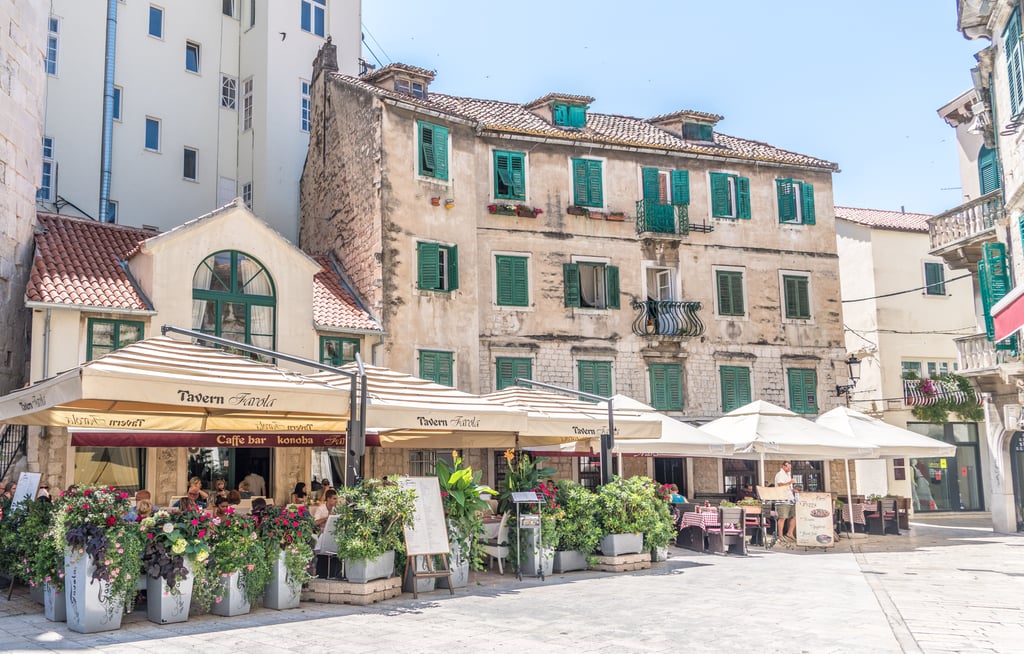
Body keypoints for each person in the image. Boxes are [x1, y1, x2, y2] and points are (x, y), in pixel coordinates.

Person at [774, 461, 797, 541]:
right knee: (782, 517)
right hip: (782, 499)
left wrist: (794, 490)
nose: (789, 469)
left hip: (790, 499)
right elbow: (780, 485)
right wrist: (790, 482)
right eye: (788, 467)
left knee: (794, 516)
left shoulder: (788, 475)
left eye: (790, 467)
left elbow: (788, 487)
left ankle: (790, 533)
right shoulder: (780, 474)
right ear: (783, 466)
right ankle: (780, 535)